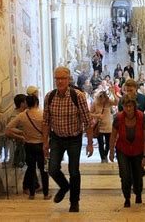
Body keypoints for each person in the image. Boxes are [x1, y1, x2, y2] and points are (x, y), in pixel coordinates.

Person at [42, 66, 93, 213]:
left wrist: (89, 143)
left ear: (68, 79)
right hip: (57, 138)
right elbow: (46, 121)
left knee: (74, 171)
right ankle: (64, 186)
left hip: (74, 139)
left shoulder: (78, 96)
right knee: (52, 168)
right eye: (57, 79)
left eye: (62, 78)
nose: (59, 81)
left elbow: (87, 121)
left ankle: (74, 202)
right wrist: (45, 142)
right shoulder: (49, 97)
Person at [5, 89, 51, 200]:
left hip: (28, 145)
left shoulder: (22, 115)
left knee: (30, 169)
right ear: (37, 103)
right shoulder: (43, 114)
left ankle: (31, 194)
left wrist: (21, 134)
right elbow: (48, 130)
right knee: (43, 170)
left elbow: (8, 129)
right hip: (41, 145)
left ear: (27, 103)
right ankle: (46, 194)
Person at [109, 94, 145, 207]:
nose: (128, 109)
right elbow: (113, 136)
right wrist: (111, 151)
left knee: (138, 174)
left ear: (134, 106)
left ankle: (138, 194)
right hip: (123, 150)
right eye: (126, 106)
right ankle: (126, 197)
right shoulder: (118, 118)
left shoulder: (142, 117)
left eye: (130, 106)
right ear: (123, 107)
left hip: (138, 150)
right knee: (125, 175)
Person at [90, 88, 118, 163]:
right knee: (101, 143)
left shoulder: (108, 102)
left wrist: (114, 93)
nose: (103, 100)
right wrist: (97, 115)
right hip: (99, 127)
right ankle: (103, 158)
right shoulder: (95, 103)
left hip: (108, 127)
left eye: (104, 98)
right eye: (101, 98)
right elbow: (89, 113)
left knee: (109, 143)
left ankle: (105, 155)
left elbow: (117, 102)